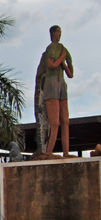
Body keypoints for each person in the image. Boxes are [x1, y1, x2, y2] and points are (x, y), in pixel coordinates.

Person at [42, 25, 74, 157]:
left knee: (65, 121)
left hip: (61, 84)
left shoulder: (63, 48)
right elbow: (51, 65)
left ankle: (66, 152)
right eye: (57, 32)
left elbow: (71, 74)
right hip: (51, 83)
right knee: (54, 122)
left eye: (60, 32)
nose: (59, 34)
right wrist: (62, 57)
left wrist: (64, 63)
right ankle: (49, 152)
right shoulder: (51, 48)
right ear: (53, 33)